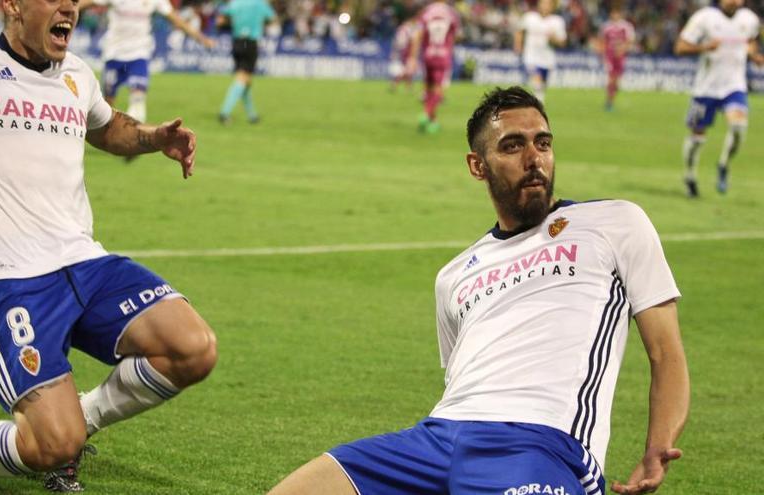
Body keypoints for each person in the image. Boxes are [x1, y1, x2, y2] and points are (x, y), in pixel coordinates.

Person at [267, 86, 690, 495]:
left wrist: (657, 446)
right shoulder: (454, 275)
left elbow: (666, 352)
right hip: (434, 439)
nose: (534, 159)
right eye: (512, 146)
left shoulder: (616, 222)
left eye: (542, 143)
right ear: (477, 165)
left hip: (538, 442)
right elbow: (458, 382)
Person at [0, 0, 217, 492]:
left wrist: (152, 138)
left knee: (194, 348)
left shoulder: (77, 74)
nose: (69, 7)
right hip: (9, 281)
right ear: (13, 6)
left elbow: (105, 127)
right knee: (52, 447)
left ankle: (76, 420)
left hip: (85, 263)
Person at [80, 0, 215, 159]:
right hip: (114, 55)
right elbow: (85, 3)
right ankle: (91, 138)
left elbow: (174, 18)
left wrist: (200, 38)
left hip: (139, 56)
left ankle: (133, 144)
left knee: (138, 98)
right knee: (106, 109)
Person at [674, 0, 763, 198]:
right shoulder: (704, 17)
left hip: (734, 86)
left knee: (739, 127)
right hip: (705, 89)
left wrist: (754, 55)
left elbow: (751, 40)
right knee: (697, 138)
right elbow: (680, 47)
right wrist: (704, 47)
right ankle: (690, 176)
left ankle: (723, 164)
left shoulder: (749, 19)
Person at [216, 0, 276, 124]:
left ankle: (252, 115)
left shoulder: (235, 3)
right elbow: (272, 19)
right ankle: (224, 112)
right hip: (250, 42)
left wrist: (235, 21)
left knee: (245, 80)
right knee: (243, 78)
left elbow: (220, 21)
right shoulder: (260, 3)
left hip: (237, 42)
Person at [407, 0, 460, 134]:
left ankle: (432, 121)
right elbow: (456, 35)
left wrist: (413, 57)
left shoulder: (427, 12)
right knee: (438, 89)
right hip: (442, 55)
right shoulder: (451, 13)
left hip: (428, 54)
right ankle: (426, 114)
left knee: (428, 88)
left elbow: (417, 35)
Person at [514, 0, 566, 102]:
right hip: (531, 57)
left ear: (552, 7)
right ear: (539, 4)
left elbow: (562, 42)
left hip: (547, 59)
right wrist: (518, 45)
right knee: (537, 82)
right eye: (543, 3)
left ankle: (536, 103)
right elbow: (519, 31)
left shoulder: (557, 21)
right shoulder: (529, 17)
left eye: (548, 4)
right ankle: (539, 105)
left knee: (541, 85)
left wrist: (553, 39)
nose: (545, 6)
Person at [597, 2, 635, 111]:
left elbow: (630, 41)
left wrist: (623, 49)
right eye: (613, 13)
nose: (615, 15)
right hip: (610, 56)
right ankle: (609, 102)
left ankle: (611, 99)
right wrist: (602, 54)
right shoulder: (606, 26)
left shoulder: (626, 26)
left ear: (620, 14)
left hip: (621, 57)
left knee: (617, 81)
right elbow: (602, 42)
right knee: (611, 78)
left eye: (617, 13)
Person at [388, 11, 420, 93]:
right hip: (407, 51)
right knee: (407, 70)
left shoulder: (402, 28)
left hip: (402, 50)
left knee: (409, 70)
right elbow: (412, 40)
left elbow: (398, 41)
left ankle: (408, 87)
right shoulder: (409, 28)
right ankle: (394, 85)